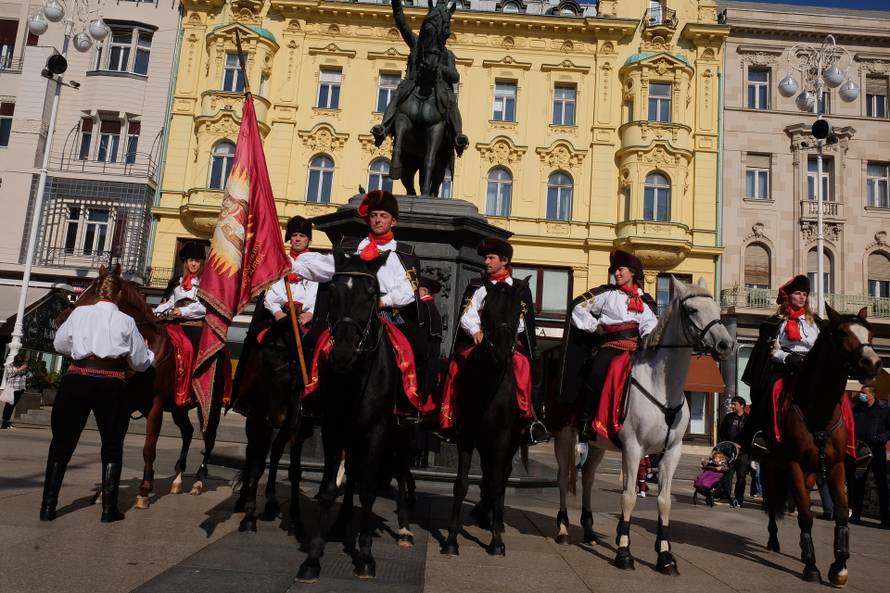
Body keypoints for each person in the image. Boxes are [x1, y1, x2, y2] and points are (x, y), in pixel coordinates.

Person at [294, 189, 425, 419]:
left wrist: (383, 301)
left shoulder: (401, 253)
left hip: (384, 315)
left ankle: (406, 406)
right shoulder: (352, 247)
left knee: (415, 345)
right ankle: (310, 401)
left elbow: (407, 291)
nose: (377, 220)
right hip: (348, 317)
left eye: (383, 215)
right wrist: (293, 263)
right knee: (314, 341)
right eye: (374, 215)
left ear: (393, 220)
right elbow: (322, 268)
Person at [41, 272, 154, 523]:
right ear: (119, 294)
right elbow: (140, 362)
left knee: (61, 443)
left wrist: (82, 348)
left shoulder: (79, 314)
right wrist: (150, 354)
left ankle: (48, 507)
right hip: (111, 381)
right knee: (112, 445)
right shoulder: (126, 321)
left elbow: (59, 345)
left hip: (77, 378)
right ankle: (109, 510)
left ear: (98, 291)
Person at [452, 237, 550, 444]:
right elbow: (467, 314)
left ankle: (532, 420)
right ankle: (451, 419)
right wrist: (476, 331)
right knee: (453, 368)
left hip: (509, 342)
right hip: (480, 341)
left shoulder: (519, 288)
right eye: (485, 258)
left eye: (490, 258)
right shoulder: (477, 286)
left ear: (504, 260)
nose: (486, 262)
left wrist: (506, 333)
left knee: (528, 369)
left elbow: (523, 320)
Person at [558, 250, 658, 440]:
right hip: (611, 346)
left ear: (633, 272)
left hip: (636, 349)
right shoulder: (606, 294)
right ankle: (586, 420)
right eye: (615, 270)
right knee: (597, 372)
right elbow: (577, 306)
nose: (617, 274)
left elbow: (650, 325)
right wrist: (594, 326)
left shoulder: (645, 300)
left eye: (621, 270)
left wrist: (647, 339)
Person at [741, 275, 819, 453]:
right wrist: (788, 358)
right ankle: (762, 434)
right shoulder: (777, 322)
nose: (802, 297)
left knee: (839, 397)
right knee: (774, 390)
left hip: (812, 369)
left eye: (805, 294)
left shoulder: (815, 323)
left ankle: (849, 442)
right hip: (787, 368)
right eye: (798, 293)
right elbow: (772, 349)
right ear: (788, 297)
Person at [264, 216, 319, 330]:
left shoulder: (316, 264)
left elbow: (319, 296)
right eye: (294, 235)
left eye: (302, 236)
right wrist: (277, 312)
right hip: (283, 316)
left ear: (309, 240)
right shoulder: (282, 263)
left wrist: (311, 313)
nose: (297, 239)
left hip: (308, 319)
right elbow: (273, 294)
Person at [847, 385, 890, 527]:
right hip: (861, 452)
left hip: (877, 452)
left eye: (864, 393)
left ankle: (886, 520)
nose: (861, 395)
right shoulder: (858, 409)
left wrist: (881, 438)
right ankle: (855, 516)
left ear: (872, 395)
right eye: (860, 393)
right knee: (858, 484)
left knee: (881, 485)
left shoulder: (883, 409)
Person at [153, 241, 207, 326]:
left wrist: (183, 311)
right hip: (175, 325)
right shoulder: (177, 281)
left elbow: (204, 307)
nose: (193, 264)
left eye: (197, 261)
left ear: (201, 263)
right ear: (186, 263)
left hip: (195, 327)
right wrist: (156, 312)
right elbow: (170, 303)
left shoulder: (205, 283)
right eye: (191, 260)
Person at [718, 396, 748, 507]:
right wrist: (724, 447)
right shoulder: (728, 418)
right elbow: (721, 433)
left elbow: (751, 437)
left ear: (742, 406)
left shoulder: (748, 419)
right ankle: (725, 497)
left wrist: (743, 446)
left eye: (734, 404)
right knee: (727, 474)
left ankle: (738, 499)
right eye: (732, 404)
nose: (732, 406)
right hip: (729, 452)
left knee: (741, 477)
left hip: (743, 453)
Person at [1, 354, 30, 429]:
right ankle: (4, 422)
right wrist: (21, 369)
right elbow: (10, 373)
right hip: (12, 388)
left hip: (20, 388)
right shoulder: (9, 365)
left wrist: (27, 374)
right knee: (9, 405)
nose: (20, 362)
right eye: (19, 361)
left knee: (13, 405)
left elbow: (29, 375)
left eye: (21, 361)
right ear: (15, 360)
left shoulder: (22, 365)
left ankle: (8, 422)